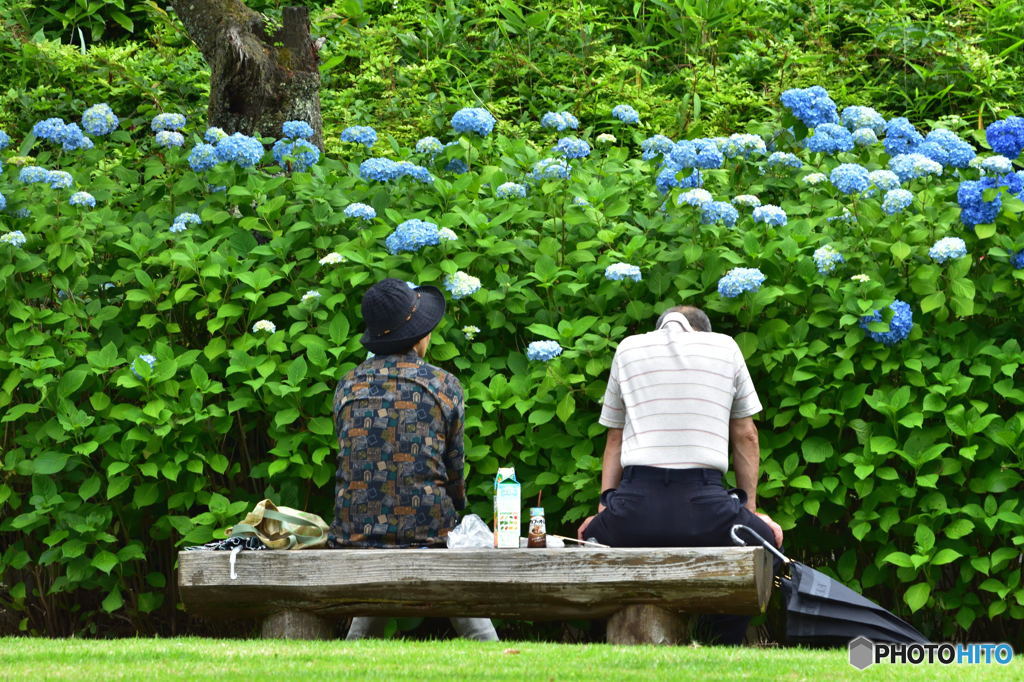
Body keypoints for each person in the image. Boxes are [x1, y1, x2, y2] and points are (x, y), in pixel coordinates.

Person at [577, 305, 784, 645]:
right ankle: (719, 640)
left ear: (660, 329)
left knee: (589, 538)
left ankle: (606, 638)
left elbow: (615, 438)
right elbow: (746, 435)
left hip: (635, 506)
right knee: (768, 544)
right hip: (707, 506)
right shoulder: (726, 347)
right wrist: (750, 512)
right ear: (704, 332)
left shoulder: (628, 348)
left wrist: (604, 512)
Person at [330, 277, 498, 642]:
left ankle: (352, 649)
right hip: (427, 531)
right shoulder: (443, 384)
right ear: (419, 336)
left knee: (376, 562)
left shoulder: (347, 384)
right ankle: (490, 649)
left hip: (353, 532)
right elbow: (454, 470)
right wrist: (454, 514)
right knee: (448, 557)